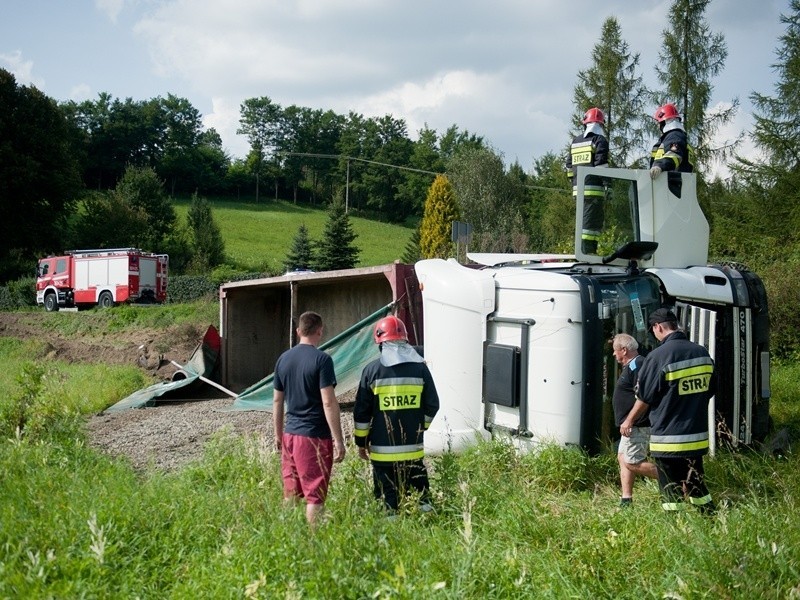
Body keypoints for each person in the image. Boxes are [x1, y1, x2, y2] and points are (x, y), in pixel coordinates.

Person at [621, 308, 716, 514]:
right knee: (695, 483)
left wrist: (629, 420)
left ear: (658, 327)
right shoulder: (701, 352)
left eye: (653, 330)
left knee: (671, 489)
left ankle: (675, 526)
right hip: (697, 437)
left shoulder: (658, 357)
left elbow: (645, 398)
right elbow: (710, 389)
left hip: (669, 437)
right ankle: (710, 518)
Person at [354, 315, 440, 514]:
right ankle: (428, 525)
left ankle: (391, 532)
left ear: (380, 343)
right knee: (421, 495)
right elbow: (433, 405)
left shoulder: (372, 371)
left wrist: (361, 443)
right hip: (414, 449)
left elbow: (361, 414)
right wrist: (420, 427)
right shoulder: (420, 369)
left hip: (382, 451)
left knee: (387, 499)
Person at [273, 311, 346, 525]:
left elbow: (277, 401)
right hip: (313, 436)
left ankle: (287, 538)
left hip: (290, 435)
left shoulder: (283, 359)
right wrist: (339, 440)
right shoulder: (322, 360)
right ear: (320, 331)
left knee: (291, 493)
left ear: (298, 332)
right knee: (315, 494)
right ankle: (314, 545)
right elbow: (328, 402)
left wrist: (278, 434)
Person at [612, 333, 658, 507]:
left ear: (624, 350)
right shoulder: (632, 366)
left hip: (637, 424)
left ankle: (676, 480)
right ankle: (626, 499)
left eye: (615, 351)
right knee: (623, 457)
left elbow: (644, 397)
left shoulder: (638, 365)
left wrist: (629, 420)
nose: (614, 355)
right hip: (630, 424)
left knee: (632, 461)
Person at [566, 107, 609, 254]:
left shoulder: (576, 141)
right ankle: (589, 253)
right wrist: (608, 186)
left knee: (581, 224)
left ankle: (581, 251)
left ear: (585, 124)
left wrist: (574, 184)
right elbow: (601, 166)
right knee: (592, 225)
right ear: (600, 125)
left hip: (578, 192)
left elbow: (569, 168)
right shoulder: (600, 140)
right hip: (594, 192)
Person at [649, 103, 694, 192]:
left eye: (659, 123)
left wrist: (659, 166)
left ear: (664, 122)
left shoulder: (675, 136)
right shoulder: (671, 137)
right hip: (670, 188)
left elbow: (673, 155)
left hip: (672, 188)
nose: (658, 126)